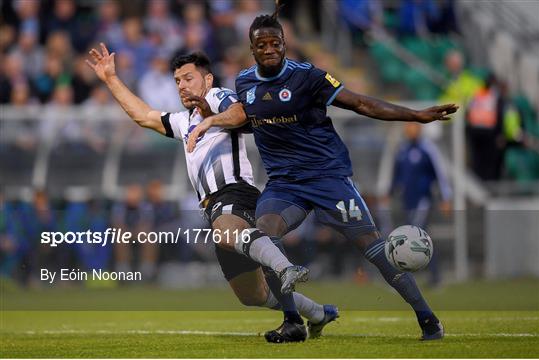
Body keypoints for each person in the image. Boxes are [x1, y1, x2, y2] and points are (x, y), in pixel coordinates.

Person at [187, 7, 458, 341]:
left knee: (374, 250)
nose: (270, 49)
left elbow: (360, 103)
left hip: (328, 179)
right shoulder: (244, 82)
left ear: (285, 44)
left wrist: (415, 115)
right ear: (252, 48)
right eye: (263, 45)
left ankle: (428, 319)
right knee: (265, 235)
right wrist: (209, 119)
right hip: (285, 185)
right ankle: (293, 322)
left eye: (276, 43)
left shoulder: (309, 76)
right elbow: (246, 119)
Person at [86, 44, 336, 342]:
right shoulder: (184, 120)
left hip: (235, 192)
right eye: (177, 80)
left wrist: (211, 118)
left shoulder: (217, 97)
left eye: (188, 78)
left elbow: (240, 112)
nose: (182, 85)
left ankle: (285, 268)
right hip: (213, 206)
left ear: (207, 80)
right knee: (253, 295)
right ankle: (318, 313)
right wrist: (111, 79)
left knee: (227, 233)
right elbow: (145, 116)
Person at [384, 122, 452, 286]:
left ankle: (424, 277)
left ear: (420, 128)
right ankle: (428, 277)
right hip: (407, 201)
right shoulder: (402, 149)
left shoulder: (428, 149)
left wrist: (446, 198)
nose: (410, 128)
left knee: (416, 236)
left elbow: (440, 174)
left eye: (413, 125)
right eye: (407, 125)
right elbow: (396, 175)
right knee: (419, 238)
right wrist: (389, 193)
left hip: (423, 200)